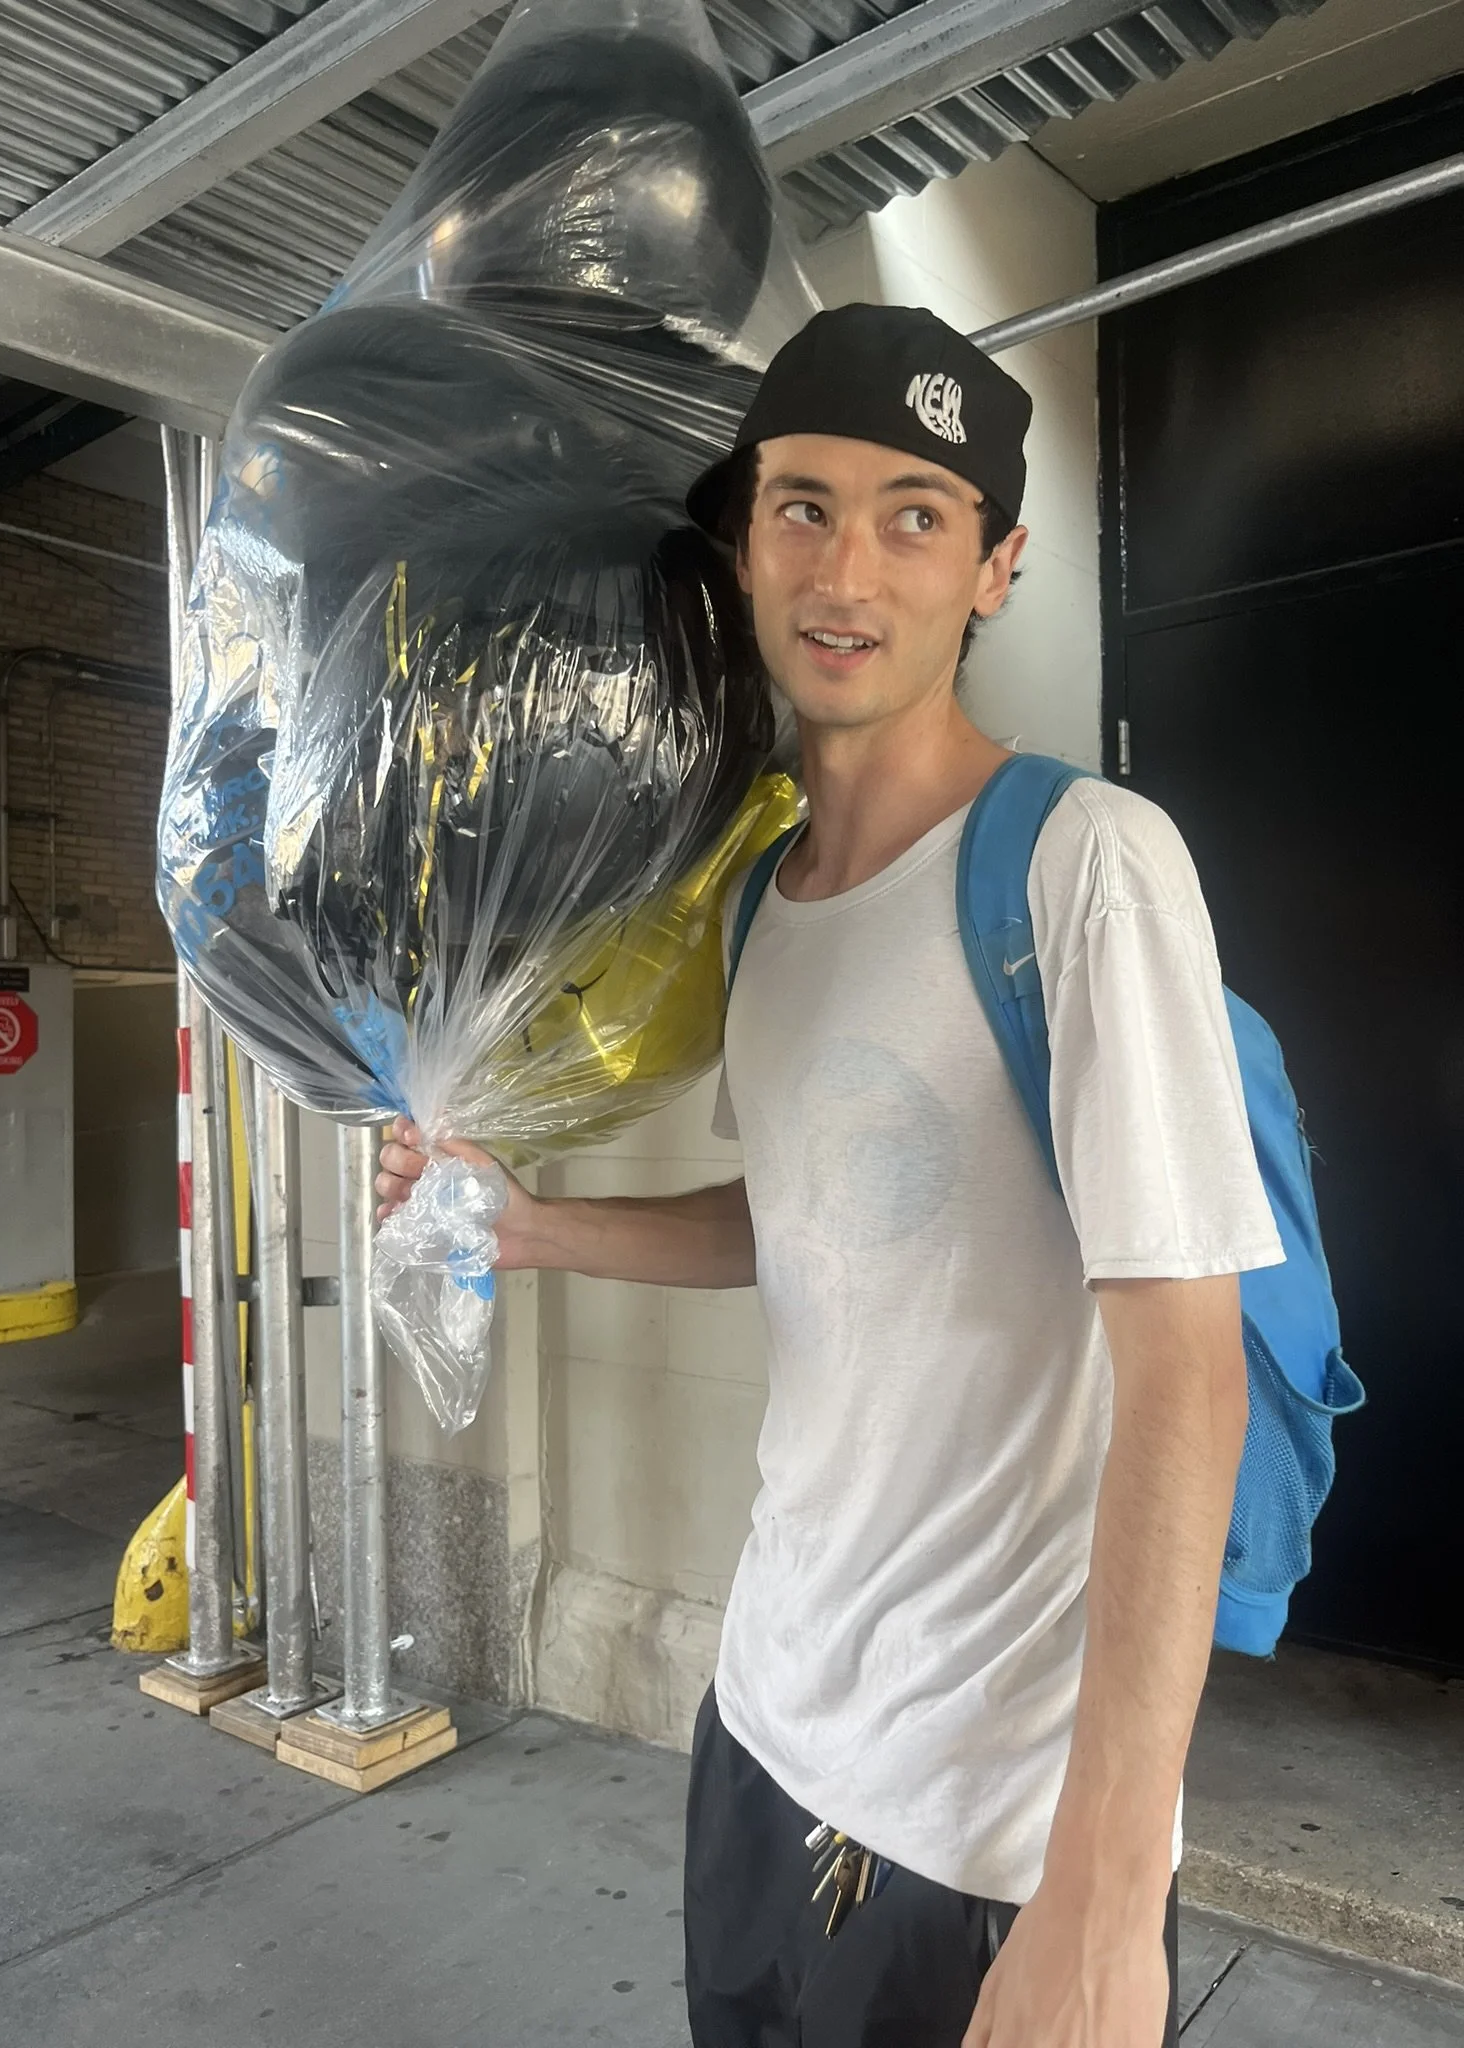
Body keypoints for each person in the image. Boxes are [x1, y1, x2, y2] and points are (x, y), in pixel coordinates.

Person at [377, 303, 1284, 2048]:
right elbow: (804, 1218)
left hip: (985, 1823)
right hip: (765, 1728)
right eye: (801, 506)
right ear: (743, 546)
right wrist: (530, 1223)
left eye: (914, 515)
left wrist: (1105, 1901)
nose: (845, 568)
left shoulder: (1084, 867)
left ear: (998, 566)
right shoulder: (761, 902)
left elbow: (1190, 1378)